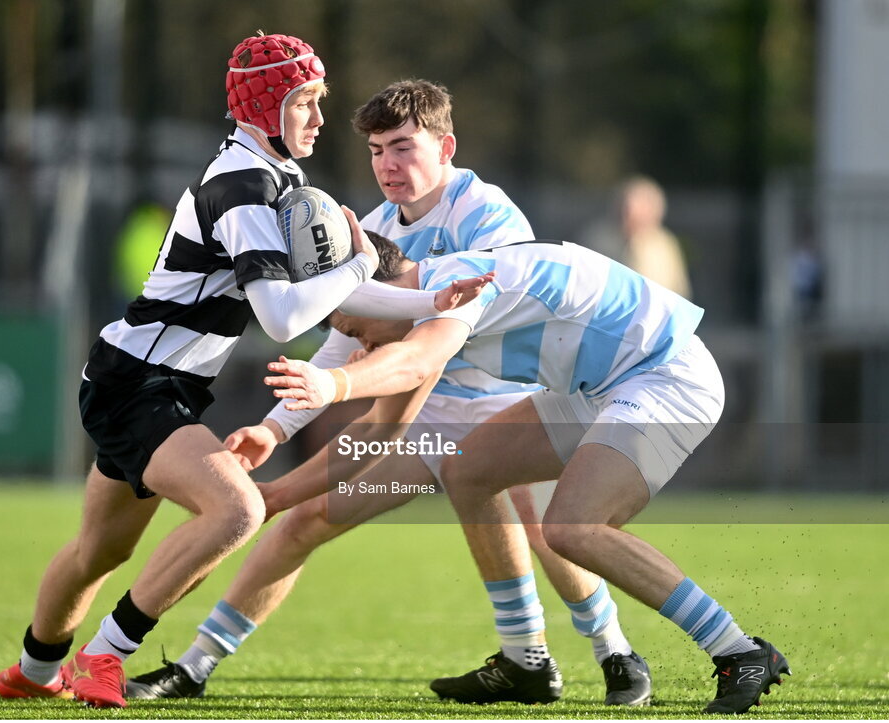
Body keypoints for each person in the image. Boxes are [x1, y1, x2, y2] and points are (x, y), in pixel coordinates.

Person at [0, 36, 487, 709]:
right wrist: (360, 262)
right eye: (304, 103)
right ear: (263, 107)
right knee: (238, 508)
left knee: (97, 552)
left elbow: (335, 294)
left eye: (318, 102)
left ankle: (33, 669)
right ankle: (104, 653)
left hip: (146, 380)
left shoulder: (277, 181)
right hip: (138, 384)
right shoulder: (244, 187)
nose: (317, 118)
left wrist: (428, 302)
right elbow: (284, 316)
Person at [127, 79, 651, 707]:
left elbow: (461, 330)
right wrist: (275, 428)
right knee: (304, 522)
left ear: (446, 146)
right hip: (420, 420)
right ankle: (195, 666)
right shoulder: (370, 229)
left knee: (539, 519)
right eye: (376, 151)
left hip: (501, 406)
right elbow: (345, 339)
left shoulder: (489, 214)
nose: (387, 165)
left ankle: (613, 652)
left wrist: (353, 377)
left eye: (402, 146)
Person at [265, 234, 791, 715]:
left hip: (667, 374)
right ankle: (525, 661)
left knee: (572, 527)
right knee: (466, 471)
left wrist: (333, 382)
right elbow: (382, 430)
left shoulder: (457, 285)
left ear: (381, 292)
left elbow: (408, 362)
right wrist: (272, 495)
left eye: (357, 328)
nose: (364, 346)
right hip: (597, 388)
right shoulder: (429, 318)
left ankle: (740, 651)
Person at [581, 175, 692, 298]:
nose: (628, 215)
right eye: (625, 208)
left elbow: (678, 290)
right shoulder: (597, 238)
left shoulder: (663, 244)